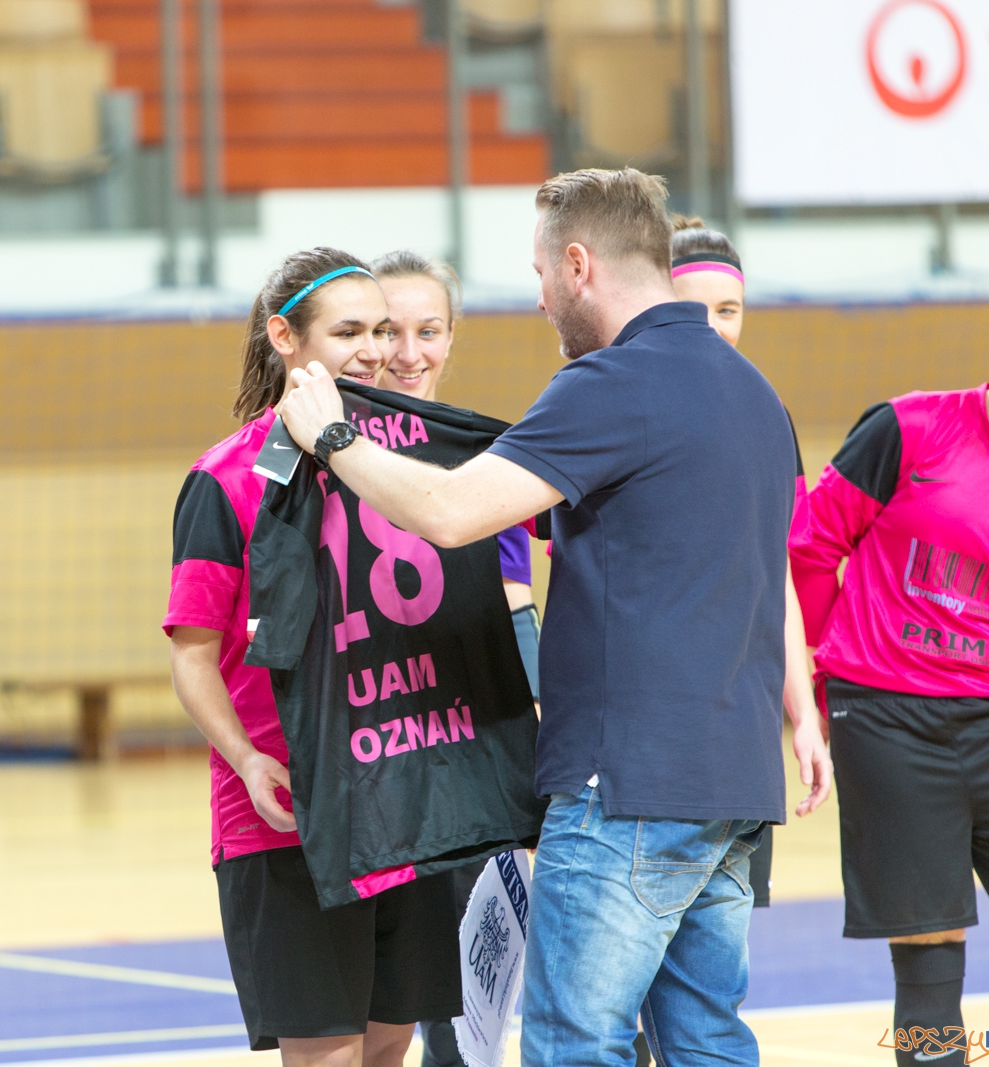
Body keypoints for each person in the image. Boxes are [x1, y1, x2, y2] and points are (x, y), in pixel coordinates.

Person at [276, 168, 832, 1067]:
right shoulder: (756, 394)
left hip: (627, 785)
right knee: (705, 1041)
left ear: (579, 265)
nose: (539, 299)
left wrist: (334, 438)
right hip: (733, 785)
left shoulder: (609, 385)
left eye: (540, 274)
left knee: (575, 1044)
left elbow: (452, 512)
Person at [165, 247, 463, 1067]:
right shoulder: (224, 479)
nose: (374, 350)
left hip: (402, 807)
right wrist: (247, 759)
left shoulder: (400, 465)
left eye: (381, 330)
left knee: (390, 1044)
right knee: (328, 1054)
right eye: (349, 332)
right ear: (284, 337)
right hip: (288, 818)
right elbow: (193, 656)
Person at [791, 286, 989, 1065]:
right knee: (929, 969)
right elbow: (812, 546)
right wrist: (822, 673)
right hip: (884, 718)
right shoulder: (906, 427)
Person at [367, 249, 540, 1067]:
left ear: (452, 335)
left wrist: (530, 742)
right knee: (377, 1012)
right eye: (388, 330)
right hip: (369, 759)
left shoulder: (485, 458)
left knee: (467, 1011)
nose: (408, 352)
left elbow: (514, 606)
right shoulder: (317, 456)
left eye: (428, 330)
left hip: (466, 756)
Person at [669, 216, 822, 914]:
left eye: (728, 310)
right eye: (693, 309)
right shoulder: (611, 403)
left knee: (722, 942)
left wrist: (804, 715)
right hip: (649, 730)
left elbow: (775, 577)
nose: (714, 327)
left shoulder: (767, 413)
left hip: (742, 726)